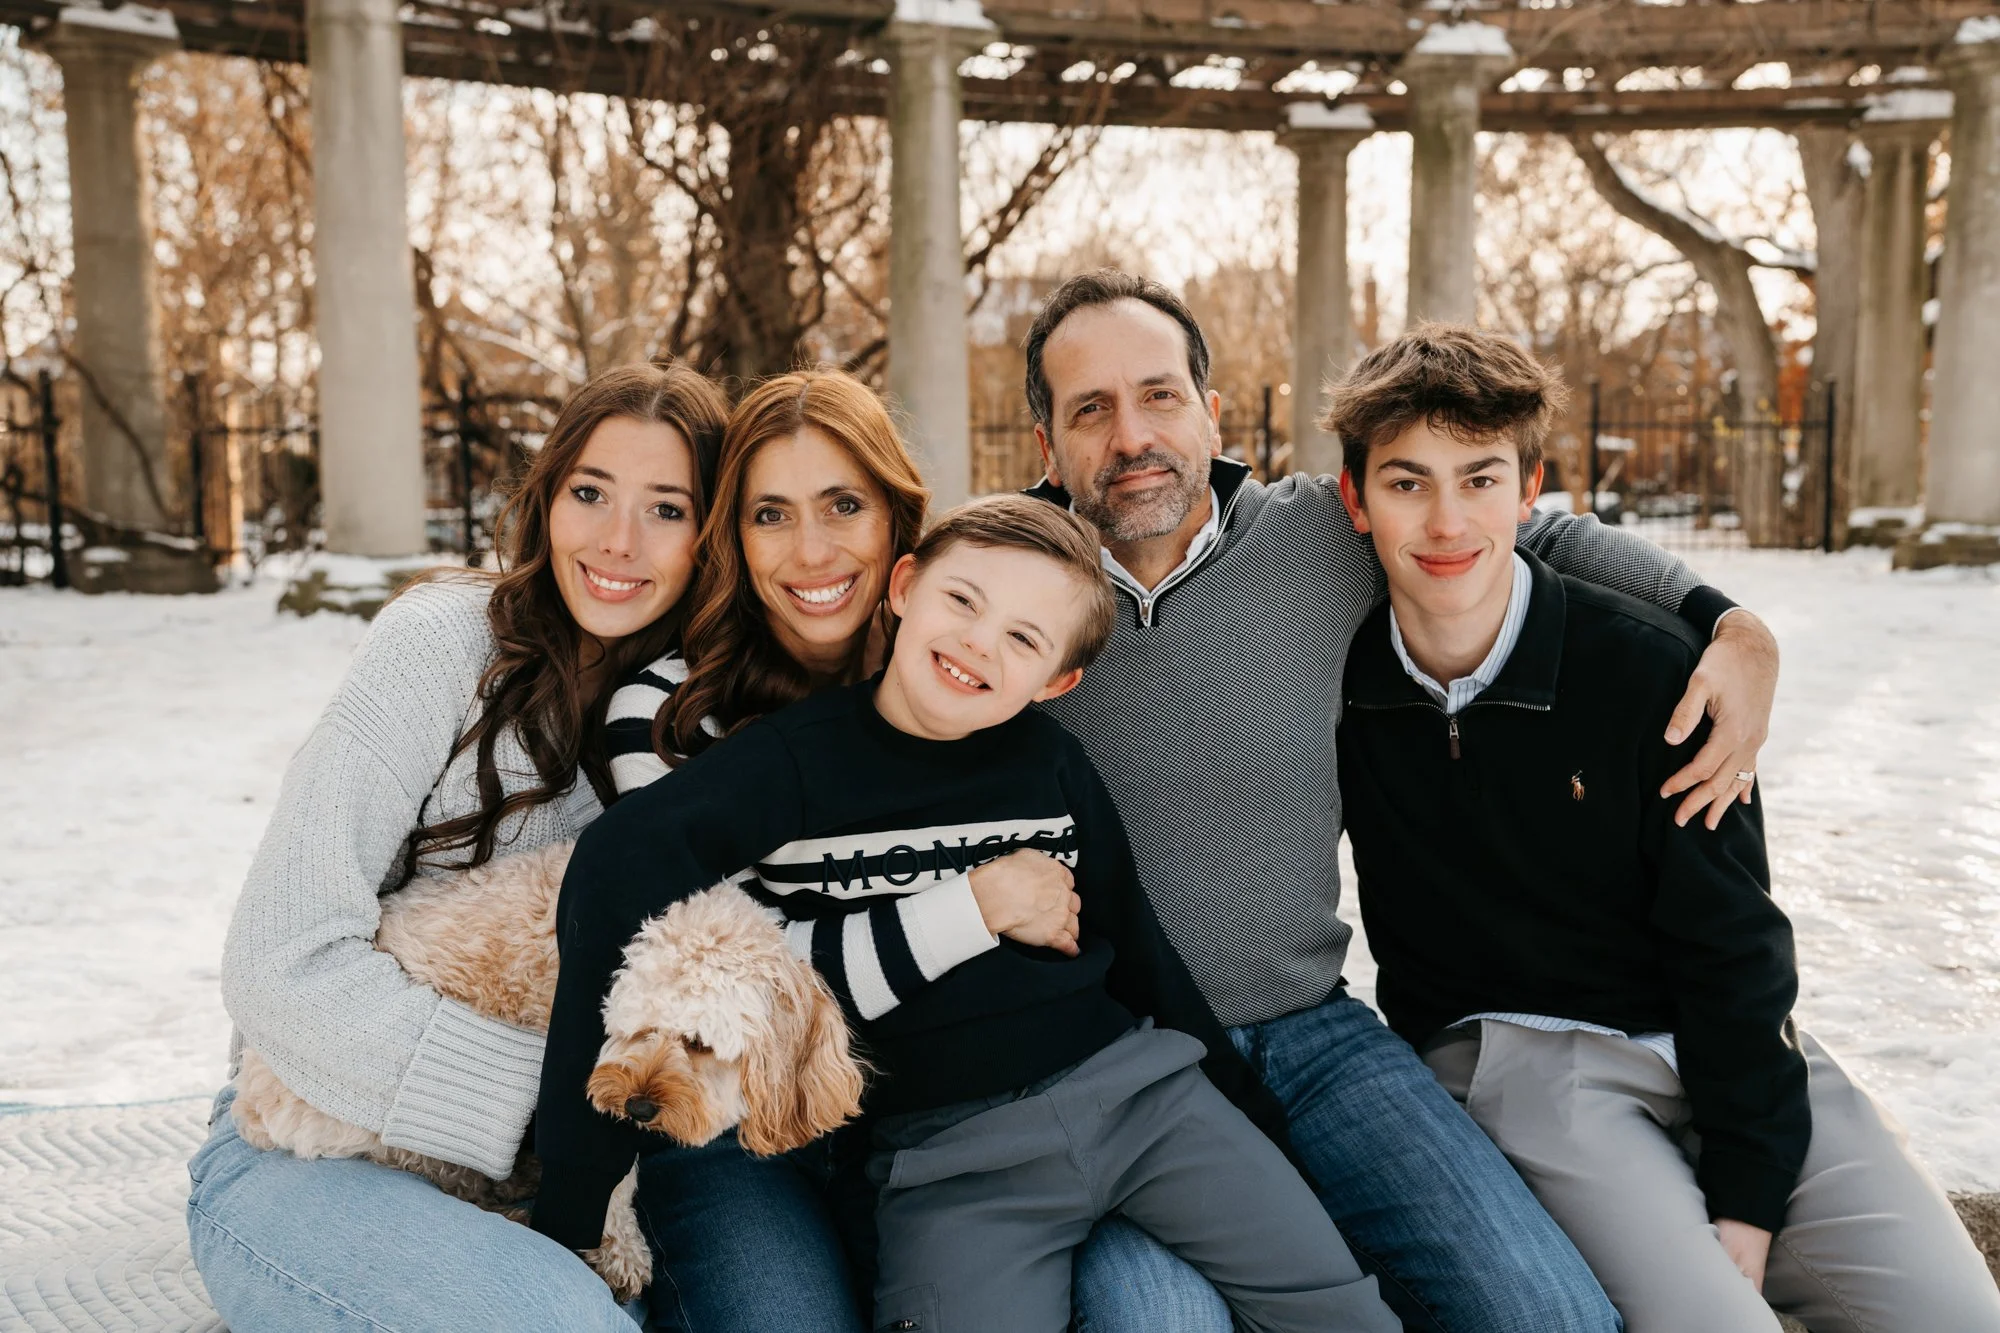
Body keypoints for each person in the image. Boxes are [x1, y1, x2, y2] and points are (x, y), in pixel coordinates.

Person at [1013, 270, 1784, 1333]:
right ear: (1046, 447)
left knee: (1547, 1315)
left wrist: (1729, 621)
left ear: (1210, 411)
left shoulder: (1310, 541)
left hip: (1312, 1034)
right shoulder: (999, 588)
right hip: (1115, 1064)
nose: (1131, 433)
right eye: (1088, 409)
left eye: (1157, 394)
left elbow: (1527, 530)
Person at [534, 496, 1400, 1333]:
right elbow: (614, 870)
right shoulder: (794, 762)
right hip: (949, 1160)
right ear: (905, 587)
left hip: (1147, 1104)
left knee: (1342, 1310)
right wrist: (577, 1194)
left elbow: (1138, 946)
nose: (977, 643)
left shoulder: (1051, 764)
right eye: (962, 601)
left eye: (1022, 638)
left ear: (1058, 677)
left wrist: (1254, 1120)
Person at [1329, 323, 2000, 1333]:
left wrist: (1747, 1187)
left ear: (1528, 488)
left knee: (1952, 1313)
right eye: (1405, 482)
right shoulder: (1331, 680)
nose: (1444, 519)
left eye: (1478, 478)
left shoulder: (1650, 671)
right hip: (1524, 1060)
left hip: (1718, 1040)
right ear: (1354, 499)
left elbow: (1733, 945)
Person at [186, 362, 728, 1332]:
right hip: (310, 1143)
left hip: (587, 1170)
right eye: (590, 493)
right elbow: (277, 957)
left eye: (666, 508)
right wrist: (555, 1109)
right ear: (546, 498)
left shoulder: (702, 717)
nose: (616, 539)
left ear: (710, 534)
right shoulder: (438, 644)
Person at [590, 370, 1082, 1333]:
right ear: (734, 534)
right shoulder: (661, 714)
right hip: (729, 1120)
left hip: (942, 1109)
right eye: (771, 513)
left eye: (844, 506)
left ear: (899, 524)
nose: (811, 550)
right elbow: (750, 989)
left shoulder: (969, 673)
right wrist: (976, 904)